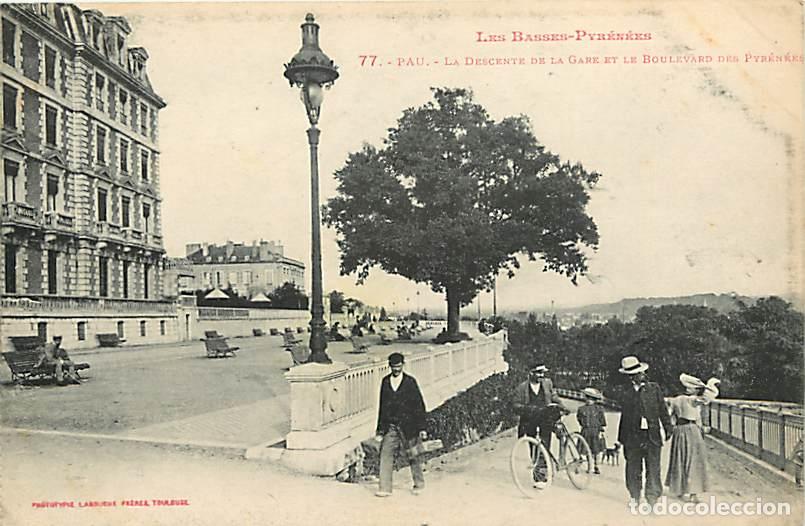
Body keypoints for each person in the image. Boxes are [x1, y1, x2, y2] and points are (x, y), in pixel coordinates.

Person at [617, 356, 673, 507]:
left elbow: (663, 410)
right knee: (633, 467)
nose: (636, 377)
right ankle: (635, 496)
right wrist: (621, 438)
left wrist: (668, 428)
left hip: (652, 435)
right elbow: (624, 416)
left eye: (638, 373)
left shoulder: (654, 389)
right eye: (632, 375)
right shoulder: (626, 392)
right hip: (632, 436)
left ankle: (653, 498)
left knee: (653, 467)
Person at [374, 352, 428, 497]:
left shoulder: (410, 382)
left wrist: (422, 427)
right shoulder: (385, 382)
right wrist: (380, 430)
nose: (396, 369)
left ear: (403, 365)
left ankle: (419, 483)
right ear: (389, 366)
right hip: (391, 426)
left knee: (413, 455)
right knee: (385, 453)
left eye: (399, 366)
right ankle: (385, 488)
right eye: (393, 367)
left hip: (409, 426)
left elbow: (419, 405)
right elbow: (382, 406)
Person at [513, 364, 569, 489]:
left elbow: (553, 396)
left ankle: (545, 472)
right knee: (534, 447)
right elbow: (515, 405)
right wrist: (528, 408)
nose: (541, 376)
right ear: (530, 373)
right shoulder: (522, 388)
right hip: (530, 420)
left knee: (545, 444)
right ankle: (538, 476)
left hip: (545, 419)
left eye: (542, 373)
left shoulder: (547, 383)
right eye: (538, 373)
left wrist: (562, 406)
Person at [665, 373, 719, 503]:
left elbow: (669, 416)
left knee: (680, 458)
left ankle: (680, 489)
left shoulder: (675, 400)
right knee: (694, 460)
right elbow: (709, 397)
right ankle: (693, 493)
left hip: (679, 430)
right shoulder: (692, 400)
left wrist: (671, 429)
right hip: (691, 430)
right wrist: (710, 384)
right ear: (693, 389)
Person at [577, 387, 607, 474]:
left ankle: (597, 466)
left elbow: (602, 420)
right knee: (586, 449)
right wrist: (584, 425)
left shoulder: (599, 409)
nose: (589, 400)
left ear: (595, 399)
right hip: (586, 431)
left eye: (592, 398)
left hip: (596, 431)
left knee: (596, 450)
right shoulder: (581, 409)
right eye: (587, 397)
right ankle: (589, 467)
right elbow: (579, 419)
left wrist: (601, 431)